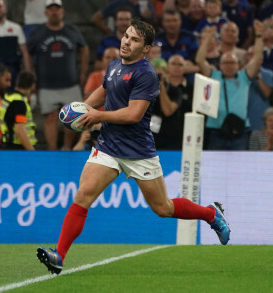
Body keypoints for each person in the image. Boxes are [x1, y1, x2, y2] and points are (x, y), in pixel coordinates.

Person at [36, 18, 231, 275]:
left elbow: (133, 115)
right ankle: (59, 255)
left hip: (138, 151)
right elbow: (104, 91)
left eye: (134, 39)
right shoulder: (115, 64)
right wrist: (81, 110)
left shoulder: (146, 75)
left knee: (163, 208)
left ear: (146, 48)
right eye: (126, 36)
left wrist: (97, 116)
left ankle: (210, 214)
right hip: (107, 146)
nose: (126, 41)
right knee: (83, 195)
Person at [27, 0, 89, 150]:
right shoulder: (38, 32)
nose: (54, 12)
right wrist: (31, 75)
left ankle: (67, 148)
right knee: (50, 117)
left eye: (57, 9)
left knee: (73, 117)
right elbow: (27, 53)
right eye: (51, 9)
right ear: (46, 12)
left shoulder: (71, 30)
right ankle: (52, 151)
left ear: (63, 12)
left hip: (70, 82)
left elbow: (85, 48)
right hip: (47, 83)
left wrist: (82, 73)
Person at [196, 21, 264, 150]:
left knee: (239, 167)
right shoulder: (214, 75)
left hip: (240, 130)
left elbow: (258, 58)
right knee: (214, 167)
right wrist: (209, 38)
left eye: (232, 62)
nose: (229, 65)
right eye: (225, 63)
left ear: (238, 65)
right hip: (216, 130)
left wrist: (259, 36)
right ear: (220, 65)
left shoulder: (245, 76)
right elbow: (200, 60)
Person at [150, 55, 193, 150]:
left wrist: (161, 86)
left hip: (171, 139)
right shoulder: (142, 89)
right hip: (147, 139)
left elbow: (168, 111)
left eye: (159, 75)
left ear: (165, 73)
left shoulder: (175, 90)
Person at [0, 0, 32, 89]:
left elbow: (24, 52)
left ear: (5, 8)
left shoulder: (16, 28)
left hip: (13, 74)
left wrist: (28, 74)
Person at [0, 71, 37, 150]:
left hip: (8, 144)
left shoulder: (9, 96)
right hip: (17, 148)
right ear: (32, 86)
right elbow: (19, 129)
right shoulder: (19, 102)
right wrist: (32, 152)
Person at [92, 0, 157, 34]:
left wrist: (150, 18)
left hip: (142, 40)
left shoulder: (147, 4)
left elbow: (156, 26)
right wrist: (109, 32)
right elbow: (96, 18)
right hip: (120, 39)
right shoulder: (118, 3)